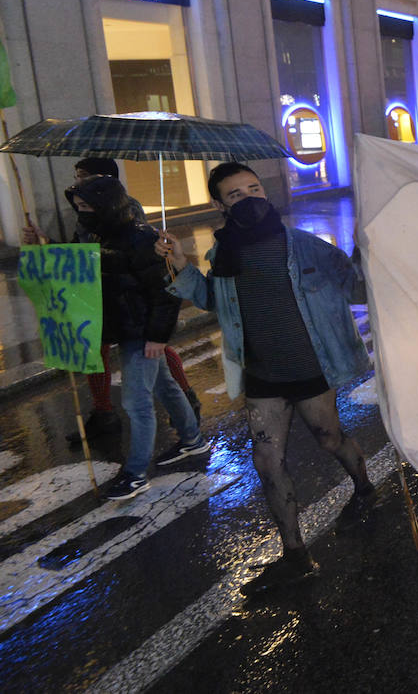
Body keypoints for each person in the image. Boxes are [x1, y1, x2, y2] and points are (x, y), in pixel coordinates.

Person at [158, 163, 376, 594]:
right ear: (220, 205)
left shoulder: (306, 247)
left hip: (311, 370)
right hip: (262, 377)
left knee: (330, 439)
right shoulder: (223, 255)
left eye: (253, 188)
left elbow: (358, 290)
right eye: (235, 195)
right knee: (266, 460)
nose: (249, 198)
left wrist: (365, 253)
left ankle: (365, 486)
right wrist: (180, 265)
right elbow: (213, 302)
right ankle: (296, 555)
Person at [26, 177, 208, 501]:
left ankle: (136, 474)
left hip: (142, 333)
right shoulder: (103, 234)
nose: (81, 213)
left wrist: (157, 337)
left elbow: (166, 293)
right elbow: (90, 260)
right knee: (165, 386)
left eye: (86, 206)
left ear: (106, 205)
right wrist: (46, 242)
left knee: (137, 403)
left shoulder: (144, 239)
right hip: (127, 329)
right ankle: (193, 439)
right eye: (78, 207)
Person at [59, 158, 200, 442]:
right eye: (77, 177)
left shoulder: (126, 210)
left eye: (85, 176)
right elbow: (81, 249)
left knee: (153, 354)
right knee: (97, 351)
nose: (80, 182)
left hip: (127, 298)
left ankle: (185, 410)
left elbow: (140, 263)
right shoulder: (84, 212)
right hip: (98, 293)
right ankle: (104, 413)